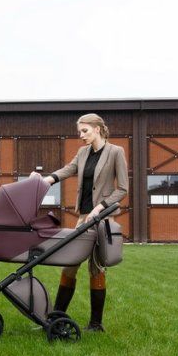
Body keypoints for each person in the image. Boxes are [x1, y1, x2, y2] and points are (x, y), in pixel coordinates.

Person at [35, 113, 128, 332]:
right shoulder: (83, 152)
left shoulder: (115, 152)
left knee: (96, 268)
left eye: (84, 131)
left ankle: (95, 324)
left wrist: (100, 207)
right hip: (83, 218)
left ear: (97, 129)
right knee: (69, 265)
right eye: (79, 132)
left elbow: (123, 189)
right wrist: (47, 180)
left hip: (102, 218)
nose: (81, 135)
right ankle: (55, 319)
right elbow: (69, 169)